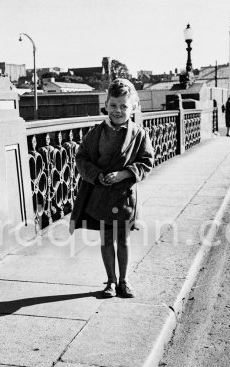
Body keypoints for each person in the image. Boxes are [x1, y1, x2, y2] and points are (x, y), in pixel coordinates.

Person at [69, 78, 154, 298]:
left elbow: (147, 162)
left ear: (133, 107)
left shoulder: (139, 134)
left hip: (124, 198)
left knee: (123, 241)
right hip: (101, 197)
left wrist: (124, 174)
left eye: (123, 106)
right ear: (106, 104)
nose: (118, 111)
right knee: (106, 239)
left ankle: (124, 281)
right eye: (113, 105)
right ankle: (111, 282)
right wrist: (97, 175)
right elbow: (81, 158)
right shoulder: (96, 133)